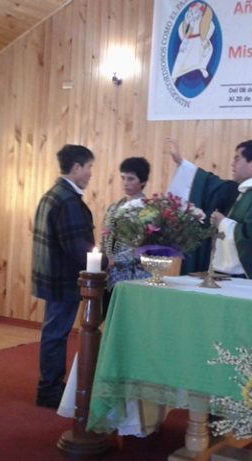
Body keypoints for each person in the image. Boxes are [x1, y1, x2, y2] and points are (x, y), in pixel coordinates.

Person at [31, 144, 105, 409]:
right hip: (63, 278)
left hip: (53, 275)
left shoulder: (54, 194)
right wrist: (107, 261)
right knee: (56, 334)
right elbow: (77, 247)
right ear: (76, 168)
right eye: (89, 168)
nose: (90, 174)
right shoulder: (68, 200)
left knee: (54, 332)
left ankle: (50, 385)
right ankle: (49, 389)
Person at [166, 138, 252, 282]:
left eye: (237, 158)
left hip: (250, 281)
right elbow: (209, 184)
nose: (232, 164)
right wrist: (181, 163)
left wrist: (222, 222)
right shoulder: (247, 192)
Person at [100, 157, 151, 309]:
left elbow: (144, 245)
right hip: (109, 273)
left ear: (142, 181)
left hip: (134, 274)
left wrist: (115, 260)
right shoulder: (114, 207)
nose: (125, 183)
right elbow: (104, 237)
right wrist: (103, 260)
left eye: (131, 179)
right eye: (123, 178)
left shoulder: (148, 210)